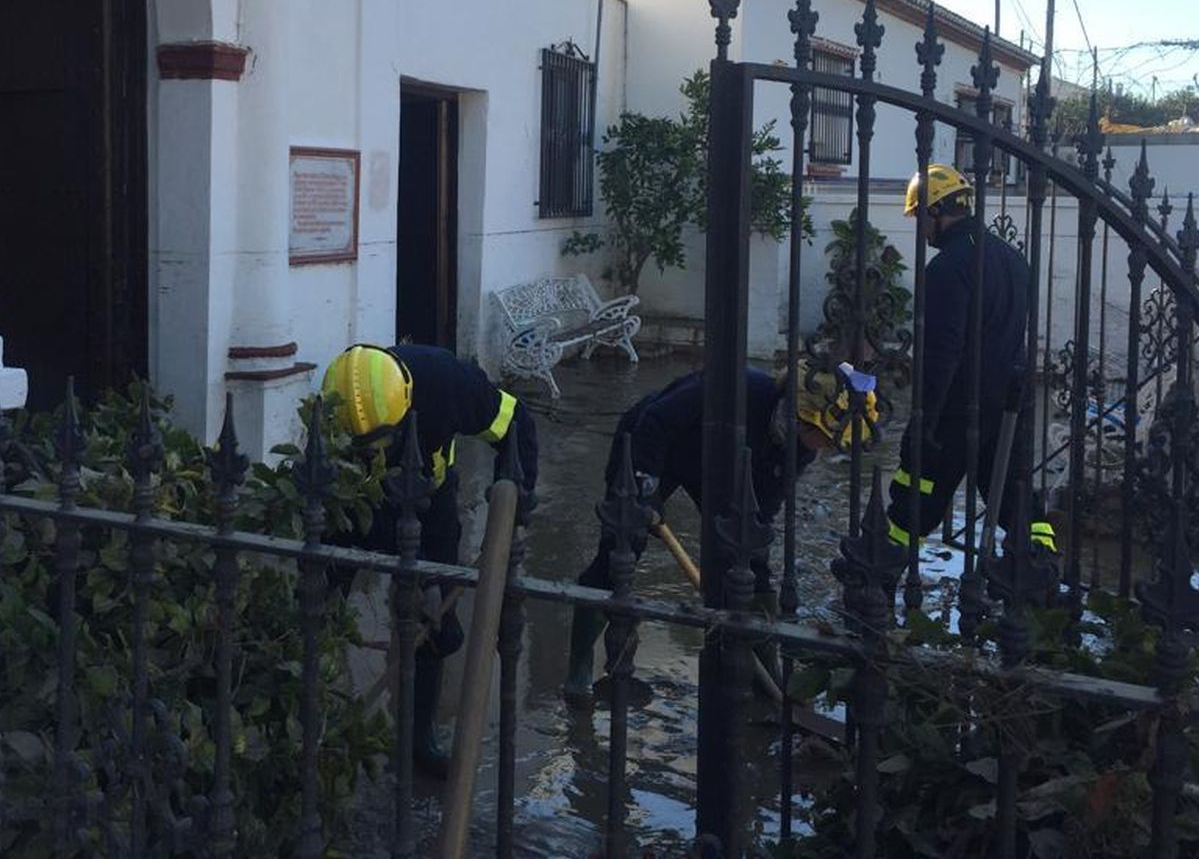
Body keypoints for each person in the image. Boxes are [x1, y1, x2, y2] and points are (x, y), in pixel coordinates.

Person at [563, 360, 875, 702]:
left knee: (751, 563)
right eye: (826, 438)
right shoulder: (734, 389)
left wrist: (747, 547)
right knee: (621, 548)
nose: (827, 447)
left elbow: (763, 510)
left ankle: (764, 680)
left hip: (722, 472)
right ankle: (579, 667)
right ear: (800, 416)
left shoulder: (799, 448)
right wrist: (646, 487)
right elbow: (657, 421)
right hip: (656, 446)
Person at [321, 342, 537, 775]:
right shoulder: (337, 405)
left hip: (429, 502)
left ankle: (419, 740)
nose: (377, 453)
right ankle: (317, 720)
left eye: (384, 442)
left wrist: (510, 506)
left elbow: (517, 423)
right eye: (365, 446)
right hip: (355, 499)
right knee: (319, 602)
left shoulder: (448, 382)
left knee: (434, 620)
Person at [886, 163, 1055, 591]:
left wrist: (922, 421)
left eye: (920, 218)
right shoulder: (1014, 260)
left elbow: (942, 354)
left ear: (936, 211)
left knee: (913, 500)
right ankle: (1042, 584)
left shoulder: (947, 269)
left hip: (958, 410)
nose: (921, 231)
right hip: (1011, 406)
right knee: (1016, 501)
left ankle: (873, 582)